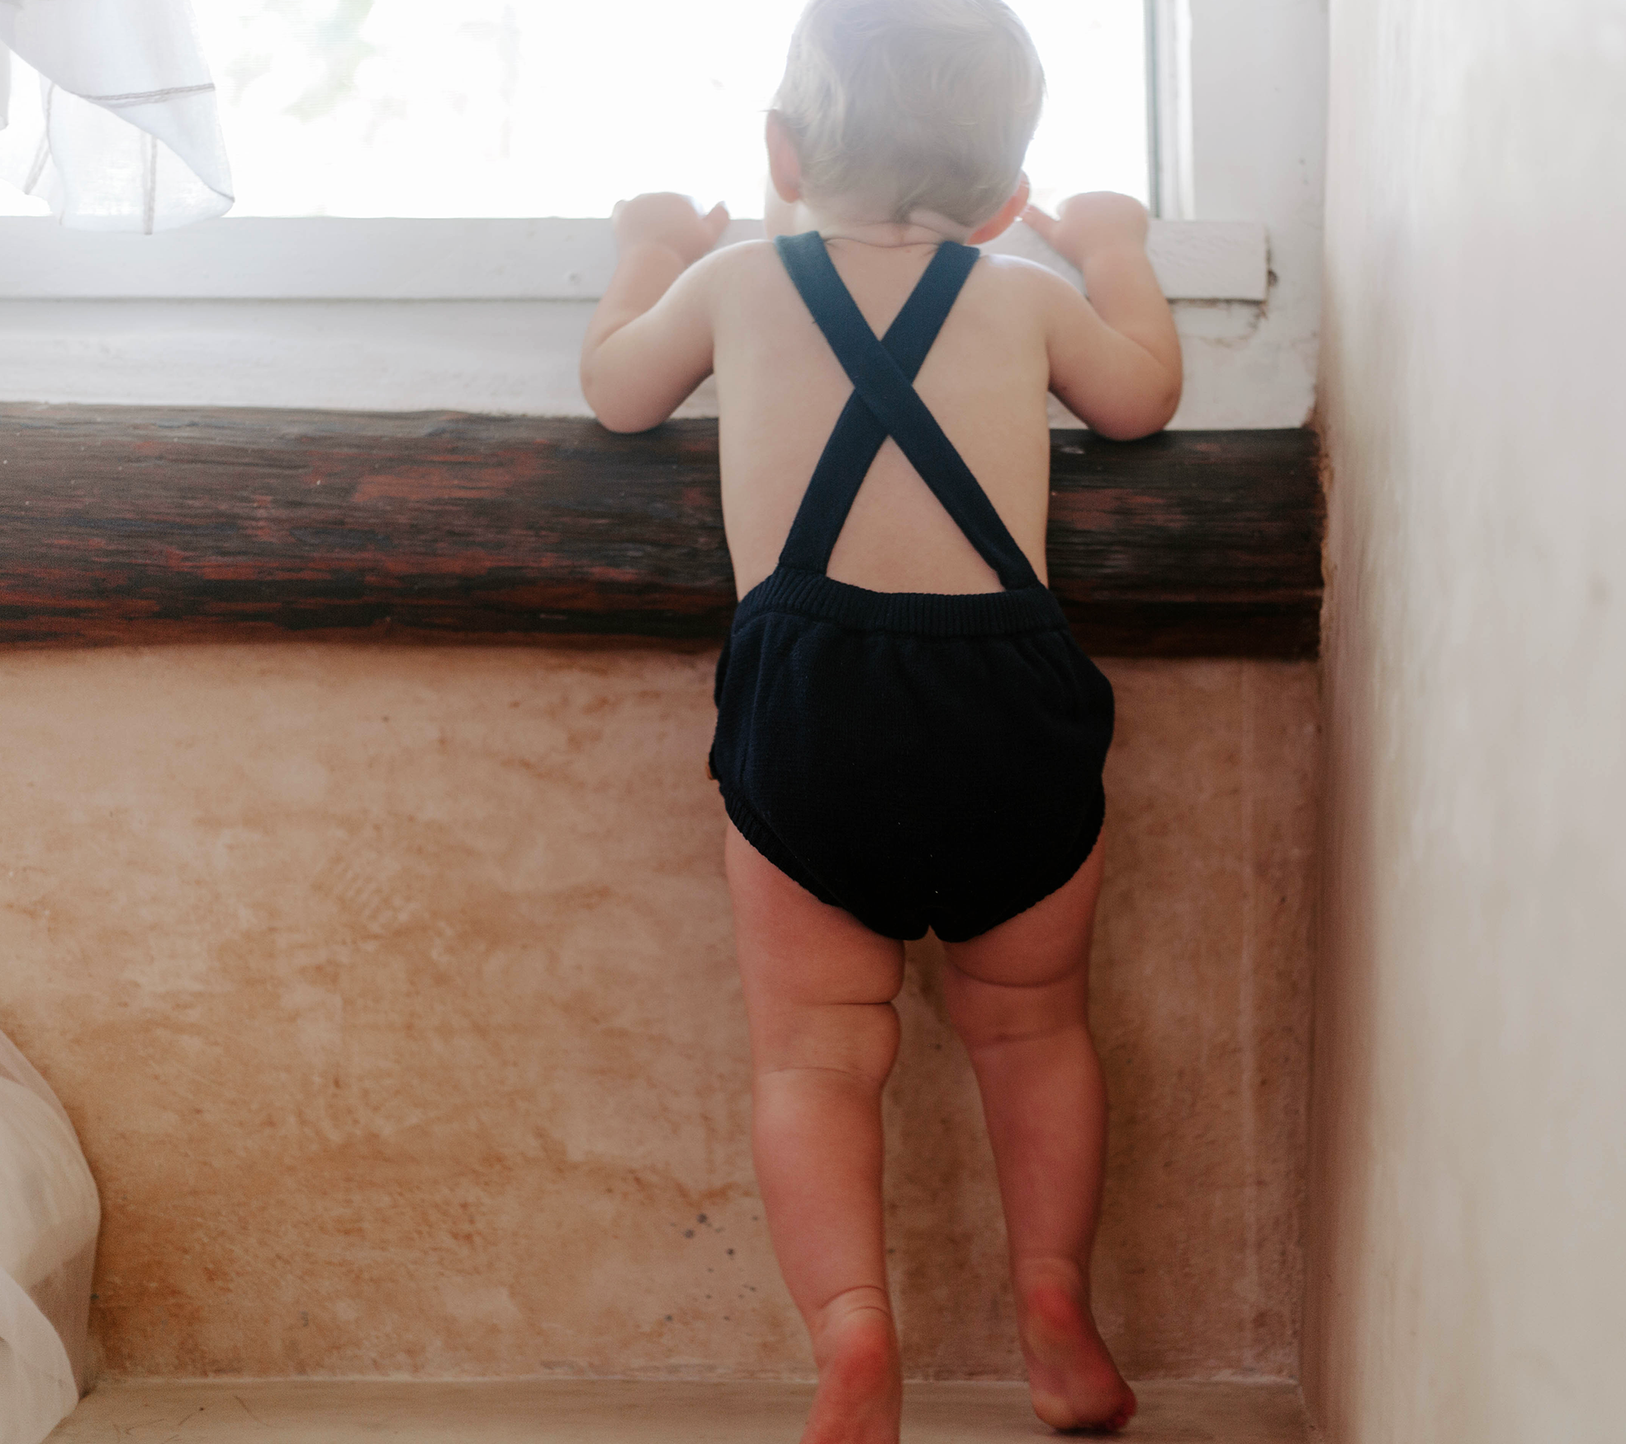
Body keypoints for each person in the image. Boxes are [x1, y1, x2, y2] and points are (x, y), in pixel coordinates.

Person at [579, 2, 1182, 1438]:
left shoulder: (736, 281)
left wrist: (649, 247)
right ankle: (1052, 1306)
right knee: (1035, 1031)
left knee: (812, 1053)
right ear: (1009, 197)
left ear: (782, 150)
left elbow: (614, 393)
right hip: (1006, 704)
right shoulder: (1025, 295)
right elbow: (1142, 398)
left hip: (813, 706)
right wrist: (1115, 252)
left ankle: (853, 1338)